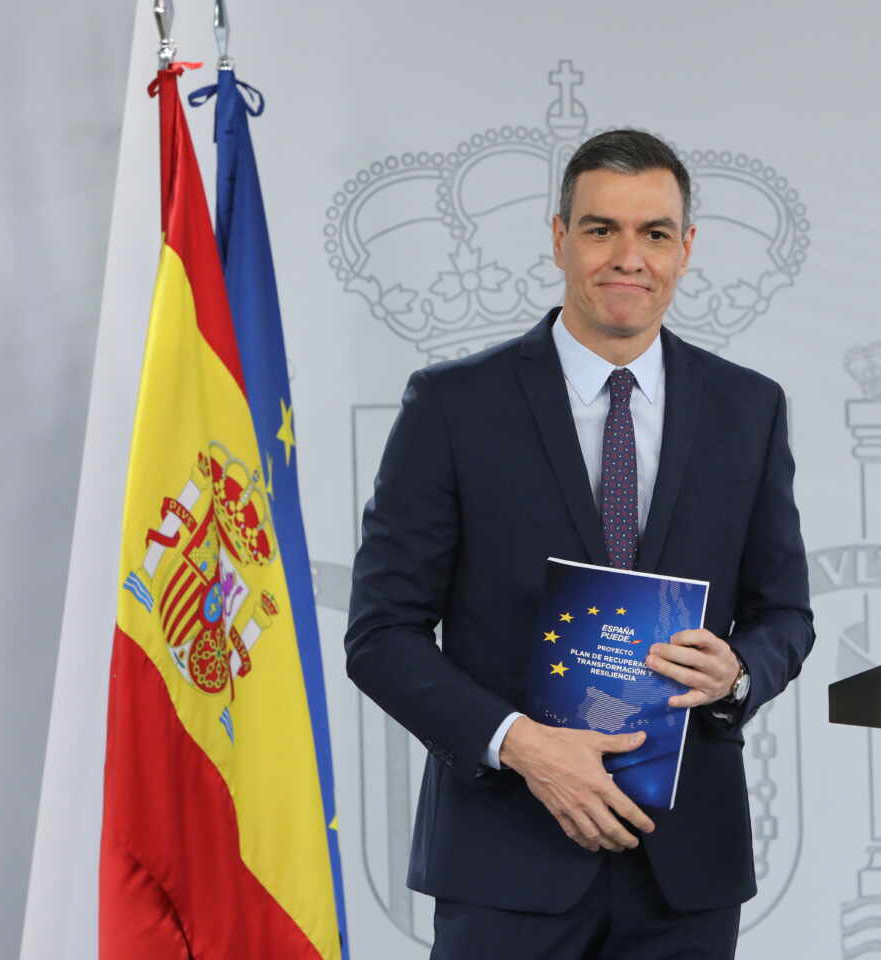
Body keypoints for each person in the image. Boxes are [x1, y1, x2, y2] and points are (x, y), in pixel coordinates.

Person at [345, 129, 814, 959]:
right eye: (601, 229)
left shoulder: (750, 410)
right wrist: (524, 748)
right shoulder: (453, 407)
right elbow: (381, 635)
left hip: (685, 868)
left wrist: (740, 672)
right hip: (505, 860)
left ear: (687, 248)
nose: (628, 257)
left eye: (655, 233)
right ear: (559, 237)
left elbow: (785, 614)